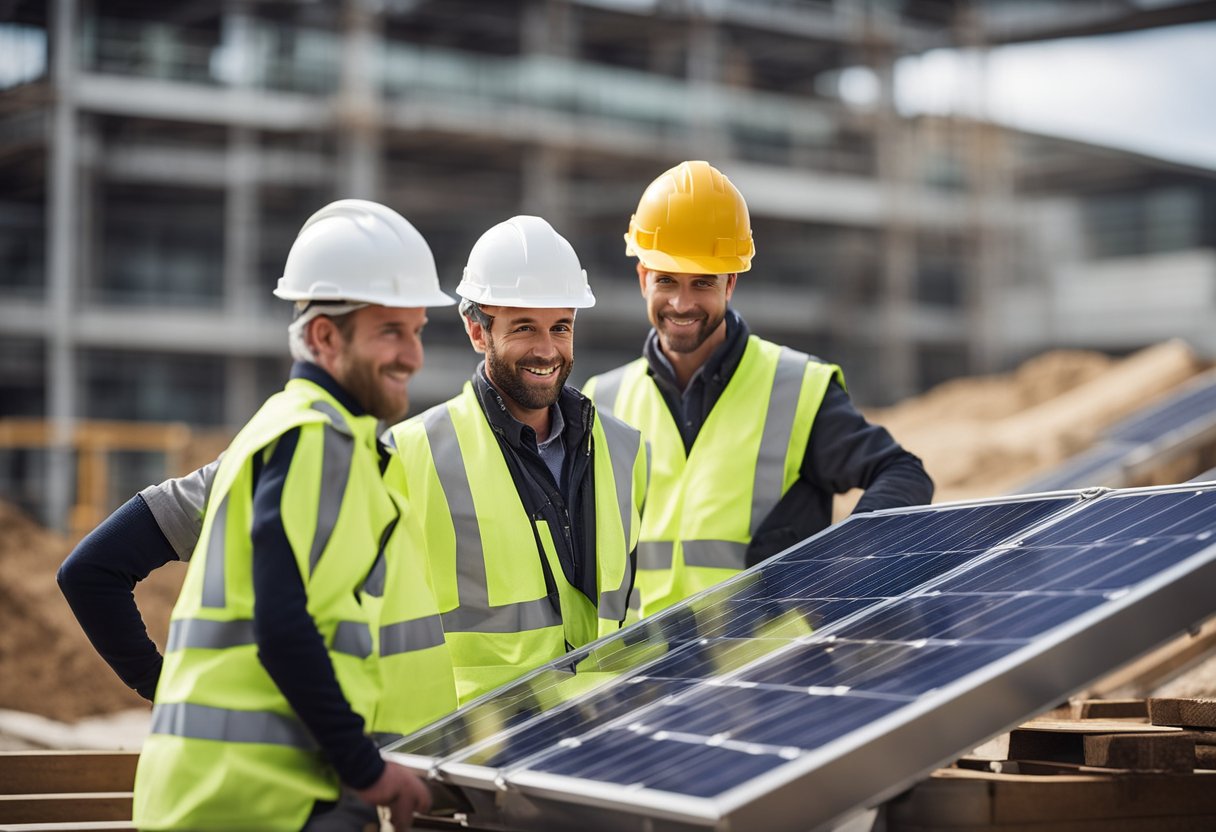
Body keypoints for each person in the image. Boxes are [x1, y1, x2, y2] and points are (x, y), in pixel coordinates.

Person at [61, 200, 458, 831]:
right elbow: (281, 624)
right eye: (391, 331)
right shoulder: (312, 439)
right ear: (326, 337)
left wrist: (168, 690)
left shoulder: (276, 434)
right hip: (260, 803)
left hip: (225, 795)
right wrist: (366, 768)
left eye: (417, 330)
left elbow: (88, 570)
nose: (413, 355)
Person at [584, 161, 934, 619]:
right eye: (666, 280)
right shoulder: (601, 400)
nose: (682, 303)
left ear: (730, 283)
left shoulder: (796, 387)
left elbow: (904, 475)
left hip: (770, 673)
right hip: (650, 674)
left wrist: (840, 564)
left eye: (702, 283)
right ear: (642, 277)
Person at [386, 215, 648, 704]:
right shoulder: (411, 453)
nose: (547, 349)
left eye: (561, 327)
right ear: (477, 331)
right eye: (524, 327)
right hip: (473, 751)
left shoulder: (626, 450)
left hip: (600, 738)